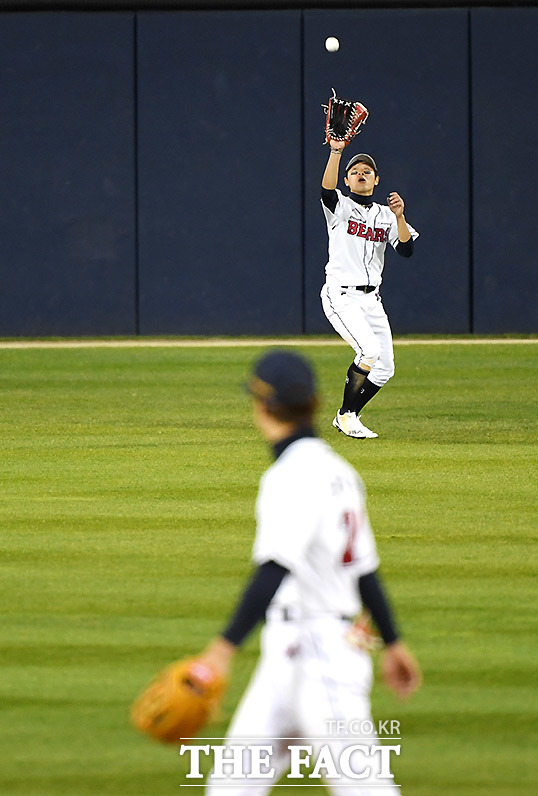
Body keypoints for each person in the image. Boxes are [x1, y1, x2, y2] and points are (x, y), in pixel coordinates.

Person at [198, 349, 422, 794]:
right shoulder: (340, 471)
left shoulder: (291, 475)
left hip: (321, 653)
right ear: (316, 405)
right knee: (229, 786)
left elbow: (274, 569)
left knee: (366, 788)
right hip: (287, 656)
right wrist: (393, 642)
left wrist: (220, 651)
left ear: (262, 407)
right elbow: (364, 571)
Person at [320, 139, 419, 439]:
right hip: (342, 295)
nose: (361, 174)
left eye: (367, 171)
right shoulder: (340, 208)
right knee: (369, 351)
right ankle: (346, 415)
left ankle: (348, 414)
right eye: (355, 171)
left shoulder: (387, 215)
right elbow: (326, 189)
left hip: (371, 300)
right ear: (347, 180)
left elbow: (406, 250)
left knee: (384, 367)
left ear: (377, 180)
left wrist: (400, 216)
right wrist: (336, 153)